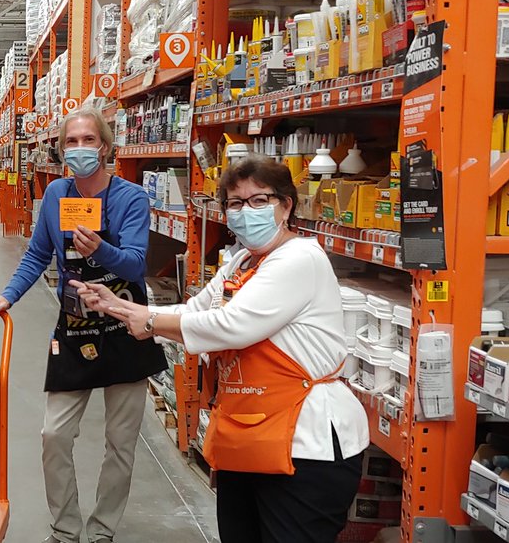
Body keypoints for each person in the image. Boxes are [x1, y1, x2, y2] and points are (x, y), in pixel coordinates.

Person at [73, 154, 370, 543]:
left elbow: (232, 326)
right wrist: (120, 306)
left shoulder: (299, 259)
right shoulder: (243, 261)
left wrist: (149, 323)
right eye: (235, 203)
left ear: (287, 205)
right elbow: (196, 311)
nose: (246, 211)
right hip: (250, 436)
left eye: (259, 200)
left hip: (306, 445)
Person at [0, 106, 166, 543]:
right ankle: (66, 531)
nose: (80, 148)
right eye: (71, 141)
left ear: (105, 146)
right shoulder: (55, 196)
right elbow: (36, 255)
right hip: (76, 324)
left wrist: (101, 249)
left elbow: (137, 265)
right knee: (53, 434)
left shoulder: (130, 198)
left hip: (125, 323)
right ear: (61, 148)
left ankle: (101, 531)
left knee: (121, 443)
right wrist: (7, 295)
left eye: (88, 140)